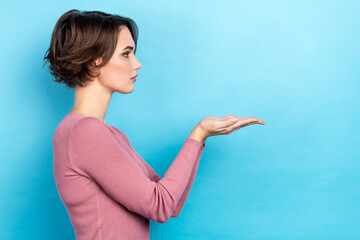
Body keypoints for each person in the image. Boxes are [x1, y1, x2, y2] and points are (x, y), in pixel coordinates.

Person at [44, 9, 265, 240]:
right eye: (127, 54)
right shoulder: (85, 132)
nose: (137, 64)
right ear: (94, 60)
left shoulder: (100, 133)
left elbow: (171, 202)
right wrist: (198, 134)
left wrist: (200, 138)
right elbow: (159, 206)